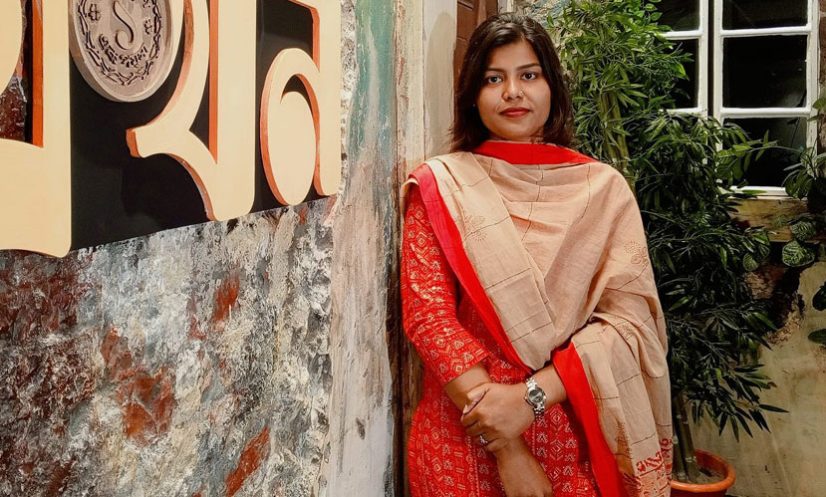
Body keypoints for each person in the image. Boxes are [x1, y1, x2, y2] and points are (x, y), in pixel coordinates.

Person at [400, 13, 673, 497]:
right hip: (463, 434)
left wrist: (530, 400)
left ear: (552, 87)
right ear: (472, 94)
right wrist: (508, 446)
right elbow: (429, 318)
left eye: (529, 75)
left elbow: (629, 324)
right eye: (493, 79)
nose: (512, 92)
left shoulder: (602, 192)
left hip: (570, 429)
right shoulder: (442, 184)